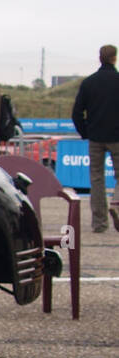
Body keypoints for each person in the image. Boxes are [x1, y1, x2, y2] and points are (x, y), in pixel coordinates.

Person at [71, 44, 119, 232]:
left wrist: (86, 132)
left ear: (99, 58)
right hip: (117, 137)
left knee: (96, 178)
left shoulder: (89, 83)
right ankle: (116, 205)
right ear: (114, 58)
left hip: (96, 138)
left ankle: (99, 222)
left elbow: (76, 113)